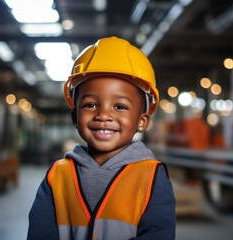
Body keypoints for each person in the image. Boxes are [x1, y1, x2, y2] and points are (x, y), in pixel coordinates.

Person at [27, 36, 176, 240]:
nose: (104, 115)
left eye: (120, 107)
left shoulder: (151, 177)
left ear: (142, 121)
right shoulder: (57, 176)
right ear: (75, 116)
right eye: (90, 105)